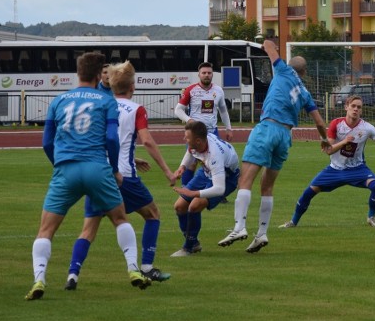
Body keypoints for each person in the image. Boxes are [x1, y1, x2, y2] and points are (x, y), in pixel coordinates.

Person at [25, 52, 151, 301]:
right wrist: (115, 169)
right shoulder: (106, 102)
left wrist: (58, 164)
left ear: (77, 73)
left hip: (66, 169)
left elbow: (47, 142)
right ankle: (133, 269)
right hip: (96, 168)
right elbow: (112, 139)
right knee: (119, 218)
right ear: (98, 75)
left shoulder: (59, 100)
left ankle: (39, 279)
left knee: (46, 230)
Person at [64, 61, 177, 291]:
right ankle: (146, 266)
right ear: (132, 87)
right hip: (123, 175)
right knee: (153, 214)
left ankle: (73, 274)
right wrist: (167, 170)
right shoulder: (136, 109)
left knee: (88, 229)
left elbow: (102, 140)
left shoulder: (102, 106)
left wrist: (133, 157)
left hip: (98, 173)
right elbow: (146, 140)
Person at [217, 38, 329, 253]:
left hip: (268, 128)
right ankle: (261, 233)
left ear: (289, 64)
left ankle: (239, 227)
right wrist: (324, 139)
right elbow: (319, 122)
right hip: (285, 136)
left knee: (245, 180)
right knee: (267, 186)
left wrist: (267, 46)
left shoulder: (283, 70)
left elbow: (268, 43)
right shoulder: (304, 92)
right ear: (305, 73)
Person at [278, 94, 375, 229]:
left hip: (357, 169)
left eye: (359, 107)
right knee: (309, 192)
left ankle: (371, 217)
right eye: (353, 106)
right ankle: (293, 222)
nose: (356, 109)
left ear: (361, 110)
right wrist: (344, 142)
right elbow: (329, 150)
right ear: (346, 107)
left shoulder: (367, 128)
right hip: (335, 170)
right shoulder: (336, 124)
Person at [170, 120, 240, 256]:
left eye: (187, 137)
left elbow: (219, 188)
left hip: (226, 178)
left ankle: (188, 247)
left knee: (194, 205)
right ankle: (194, 243)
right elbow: (190, 151)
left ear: (198, 141)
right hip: (206, 171)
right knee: (179, 206)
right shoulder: (199, 142)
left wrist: (193, 193)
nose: (184, 139)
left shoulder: (214, 156)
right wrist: (182, 167)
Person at [175, 62, 234, 185]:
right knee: (191, 163)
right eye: (204, 73)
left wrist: (228, 128)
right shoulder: (191, 90)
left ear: (212, 74)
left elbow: (223, 110)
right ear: (199, 75)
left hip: (212, 131)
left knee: (216, 162)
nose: (206, 75)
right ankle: (185, 190)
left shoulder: (218, 90)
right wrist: (189, 120)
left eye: (209, 73)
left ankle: (217, 191)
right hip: (195, 133)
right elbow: (178, 109)